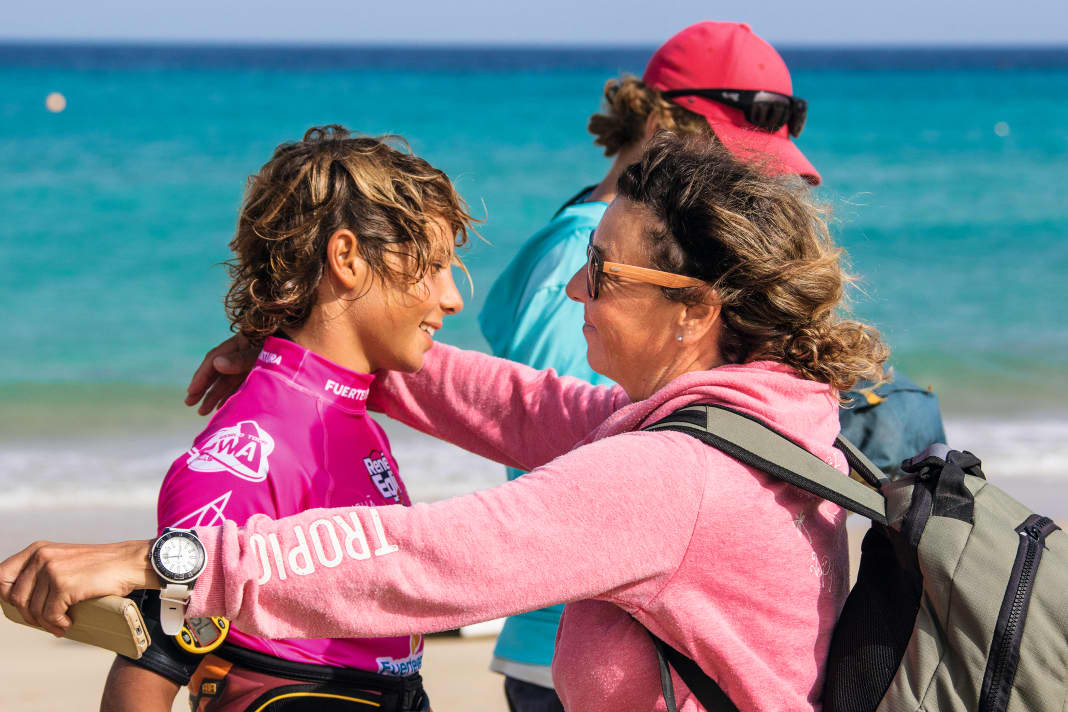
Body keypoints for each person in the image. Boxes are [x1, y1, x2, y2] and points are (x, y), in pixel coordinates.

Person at [2, 132, 889, 711]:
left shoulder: (674, 476)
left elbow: (432, 558)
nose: (578, 287)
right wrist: (334, 361)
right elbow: (526, 407)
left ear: (696, 309)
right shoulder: (748, 422)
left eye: (605, 274)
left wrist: (162, 561)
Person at [480, 22, 942, 709]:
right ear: (667, 120)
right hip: (592, 647)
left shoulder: (599, 242)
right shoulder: (593, 259)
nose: (746, 190)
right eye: (736, 159)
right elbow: (577, 454)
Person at [98, 125, 475, 712]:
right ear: (347, 257)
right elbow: (150, 663)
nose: (452, 298)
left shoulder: (352, 418)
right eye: (433, 266)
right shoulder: (249, 450)